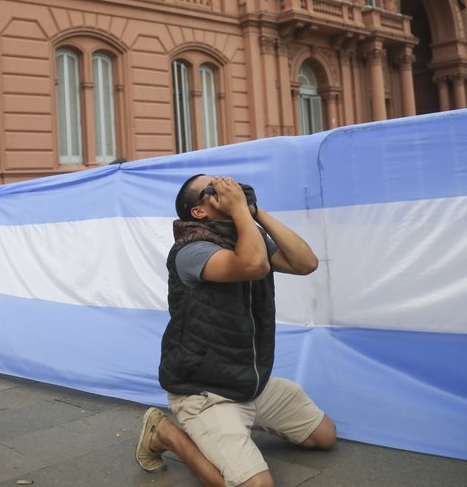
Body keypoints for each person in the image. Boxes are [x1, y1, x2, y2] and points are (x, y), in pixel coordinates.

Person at [136, 174, 336, 487]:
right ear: (199, 211)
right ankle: (167, 433)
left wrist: (255, 213)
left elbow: (305, 263)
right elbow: (253, 265)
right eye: (213, 189)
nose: (227, 188)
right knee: (256, 486)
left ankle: (232, 430)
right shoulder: (190, 250)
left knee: (324, 436)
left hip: (248, 380)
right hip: (204, 391)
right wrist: (242, 212)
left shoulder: (246, 233)